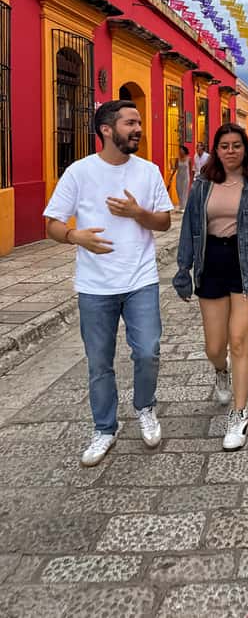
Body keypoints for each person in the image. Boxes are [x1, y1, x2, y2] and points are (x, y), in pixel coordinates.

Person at [43, 100, 173, 467]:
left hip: (140, 280)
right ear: (106, 130)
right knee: (99, 362)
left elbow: (163, 222)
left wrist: (138, 214)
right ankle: (104, 428)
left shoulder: (148, 171)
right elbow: (51, 223)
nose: (138, 129)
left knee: (147, 351)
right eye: (131, 122)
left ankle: (145, 408)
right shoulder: (79, 173)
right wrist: (74, 237)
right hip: (95, 285)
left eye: (139, 122)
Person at [174, 123, 248, 451]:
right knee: (215, 346)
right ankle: (220, 370)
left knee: (240, 340)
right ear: (216, 150)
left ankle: (238, 415)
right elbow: (189, 229)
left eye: (236, 145)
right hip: (211, 262)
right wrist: (183, 269)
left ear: (245, 149)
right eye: (224, 146)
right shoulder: (201, 186)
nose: (230, 151)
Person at [167, 144, 191, 211]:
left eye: (181, 150)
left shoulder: (189, 159)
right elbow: (175, 168)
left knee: (185, 192)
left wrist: (191, 179)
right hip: (179, 177)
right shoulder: (178, 159)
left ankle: (184, 206)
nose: (180, 151)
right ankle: (181, 204)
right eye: (179, 150)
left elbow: (191, 169)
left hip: (186, 177)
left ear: (184, 151)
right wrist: (171, 177)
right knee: (179, 190)